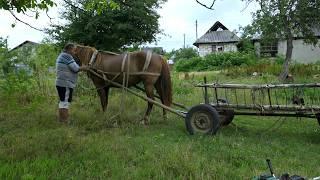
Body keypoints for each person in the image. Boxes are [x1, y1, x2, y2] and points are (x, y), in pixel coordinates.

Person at [55, 43, 87, 123]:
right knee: (65, 102)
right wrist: (85, 68)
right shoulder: (67, 56)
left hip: (62, 82)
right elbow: (75, 68)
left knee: (63, 101)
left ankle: (62, 120)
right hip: (65, 83)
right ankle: (65, 121)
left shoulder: (62, 55)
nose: (75, 52)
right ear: (69, 49)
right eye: (74, 50)